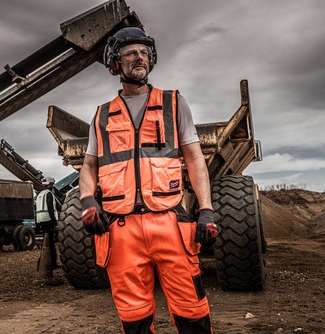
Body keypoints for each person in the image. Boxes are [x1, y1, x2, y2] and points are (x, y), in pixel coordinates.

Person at [79, 27, 219, 333]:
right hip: (121, 231)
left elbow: (195, 158)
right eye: (130, 53)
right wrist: (87, 200)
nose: (139, 57)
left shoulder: (173, 102)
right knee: (134, 318)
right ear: (115, 63)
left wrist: (206, 209)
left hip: (169, 223)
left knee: (192, 309)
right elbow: (89, 165)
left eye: (144, 52)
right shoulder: (102, 116)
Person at [35, 176, 59, 268]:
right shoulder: (49, 194)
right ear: (50, 184)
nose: (52, 186)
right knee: (51, 243)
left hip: (40, 220)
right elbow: (50, 209)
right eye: (52, 184)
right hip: (48, 219)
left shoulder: (39, 194)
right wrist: (54, 221)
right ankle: (52, 264)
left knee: (45, 242)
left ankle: (41, 263)